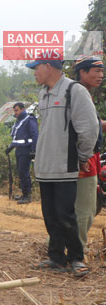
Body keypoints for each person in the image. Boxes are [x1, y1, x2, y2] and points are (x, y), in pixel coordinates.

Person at [28, 58, 98, 277]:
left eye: (36, 68)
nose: (34, 73)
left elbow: (89, 127)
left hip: (65, 164)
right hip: (45, 165)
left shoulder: (73, 90)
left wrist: (84, 155)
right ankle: (56, 257)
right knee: (50, 215)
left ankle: (76, 259)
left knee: (66, 214)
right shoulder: (43, 93)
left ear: (49, 67)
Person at [72, 56, 104, 251]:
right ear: (82, 72)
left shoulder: (82, 93)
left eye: (102, 71)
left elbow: (89, 123)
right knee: (85, 208)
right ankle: (78, 251)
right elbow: (82, 128)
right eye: (96, 71)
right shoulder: (80, 94)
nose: (101, 76)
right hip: (84, 158)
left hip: (87, 156)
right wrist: (83, 157)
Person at [5, 102, 39, 204]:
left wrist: (33, 150)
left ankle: (27, 196)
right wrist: (10, 147)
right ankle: (24, 194)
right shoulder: (19, 121)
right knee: (20, 172)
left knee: (24, 173)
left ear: (23, 109)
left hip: (26, 150)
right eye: (14, 111)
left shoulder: (29, 120)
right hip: (19, 150)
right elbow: (17, 137)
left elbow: (35, 135)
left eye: (17, 110)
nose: (15, 113)